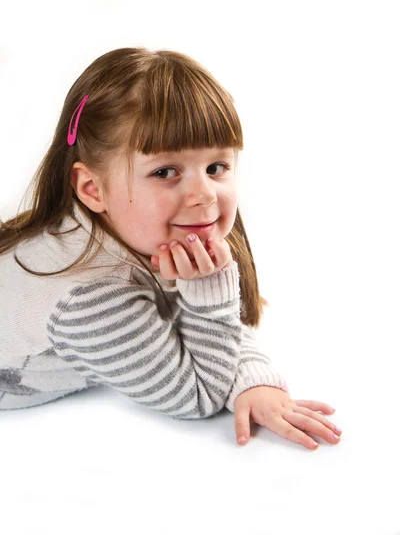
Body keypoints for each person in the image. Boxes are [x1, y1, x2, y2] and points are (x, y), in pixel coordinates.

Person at [0, 47, 342, 449]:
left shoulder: (135, 230)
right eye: (165, 172)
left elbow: (198, 323)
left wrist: (254, 380)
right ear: (93, 189)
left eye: (216, 167)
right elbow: (196, 393)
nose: (203, 194)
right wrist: (209, 292)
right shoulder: (89, 299)